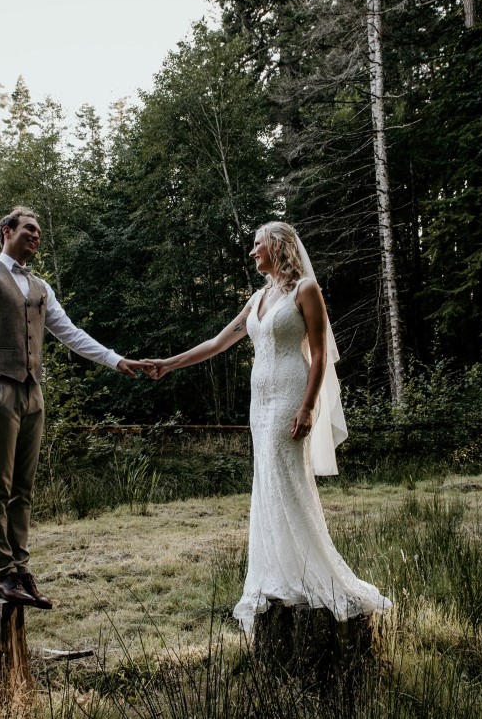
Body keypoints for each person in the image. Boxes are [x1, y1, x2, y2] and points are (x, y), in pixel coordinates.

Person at [144, 221, 392, 633]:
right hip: (259, 405)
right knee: (267, 482)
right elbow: (218, 343)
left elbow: (319, 354)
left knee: (286, 480)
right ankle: (278, 573)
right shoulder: (258, 297)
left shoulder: (305, 291)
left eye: (257, 244)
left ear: (277, 246)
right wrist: (168, 365)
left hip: (290, 397)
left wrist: (309, 407)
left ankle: (313, 573)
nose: (252, 252)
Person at [0, 206, 150, 609]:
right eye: (28, 229)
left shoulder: (41, 287)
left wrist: (116, 360)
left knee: (23, 489)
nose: (36, 236)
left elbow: (71, 334)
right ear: (6, 231)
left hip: (32, 392)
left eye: (39, 231)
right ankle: (2, 574)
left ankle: (22, 569)